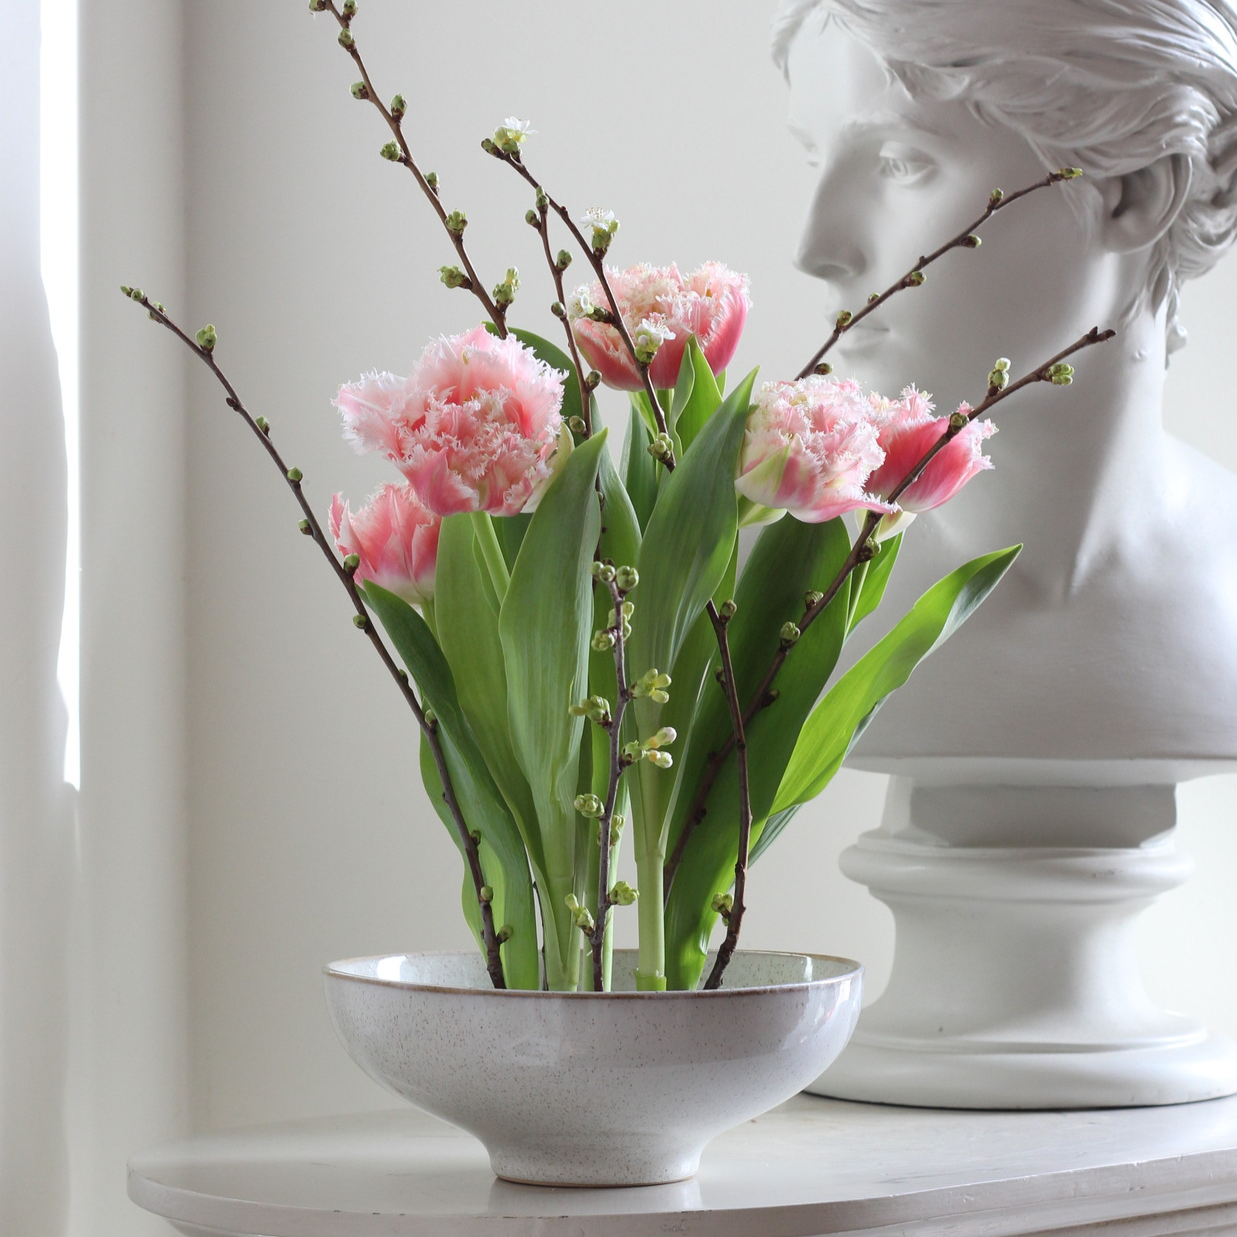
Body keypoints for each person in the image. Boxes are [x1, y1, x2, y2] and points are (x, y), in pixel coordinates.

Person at [772, 0, 1237, 763]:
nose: (815, 248)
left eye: (900, 163)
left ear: (1136, 189)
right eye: (814, 158)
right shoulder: (763, 602)